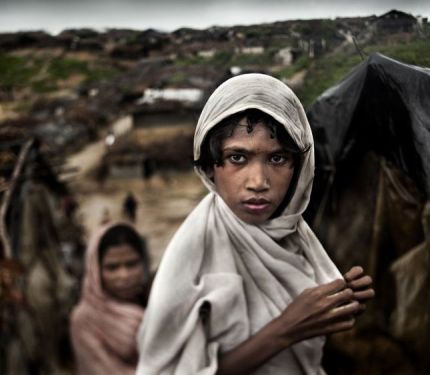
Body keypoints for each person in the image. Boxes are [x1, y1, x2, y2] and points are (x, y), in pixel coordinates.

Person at [137, 73, 374, 374]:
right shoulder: (195, 250)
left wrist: (336, 301)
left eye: (277, 159)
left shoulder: (293, 233)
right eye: (237, 158)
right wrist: (285, 329)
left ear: (299, 168)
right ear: (210, 166)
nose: (258, 182)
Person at [70, 222, 150, 375]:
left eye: (132, 264)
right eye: (112, 268)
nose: (124, 276)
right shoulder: (85, 319)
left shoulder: (156, 301)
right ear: (96, 270)